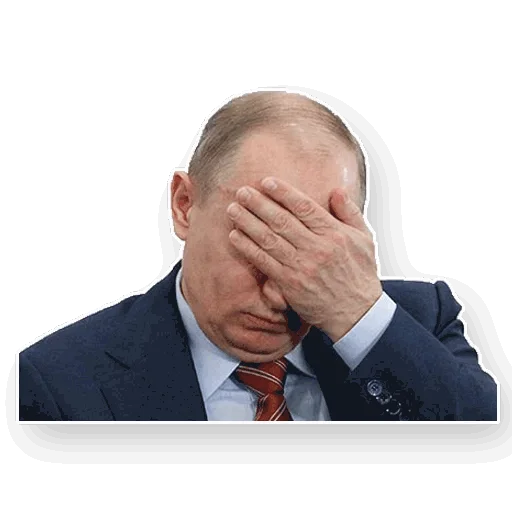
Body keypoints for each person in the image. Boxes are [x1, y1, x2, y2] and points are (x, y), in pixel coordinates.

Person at [18, 89, 498, 421]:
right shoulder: (57, 385)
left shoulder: (420, 321)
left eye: (312, 250)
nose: (281, 296)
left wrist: (359, 316)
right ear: (184, 206)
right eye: (259, 242)